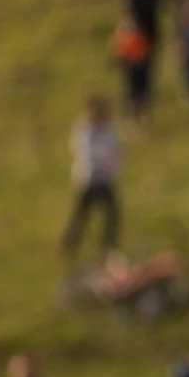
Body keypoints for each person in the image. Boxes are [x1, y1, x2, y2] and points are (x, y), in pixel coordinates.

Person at [59, 96, 123, 261]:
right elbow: (87, 154)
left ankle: (108, 247)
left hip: (105, 179)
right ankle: (68, 245)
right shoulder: (83, 131)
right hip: (88, 180)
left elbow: (115, 152)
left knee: (111, 215)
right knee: (80, 215)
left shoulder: (108, 130)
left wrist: (112, 170)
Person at [121, 0, 163, 121]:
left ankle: (144, 115)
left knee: (146, 81)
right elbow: (130, 19)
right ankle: (134, 116)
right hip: (134, 43)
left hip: (148, 42)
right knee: (133, 81)